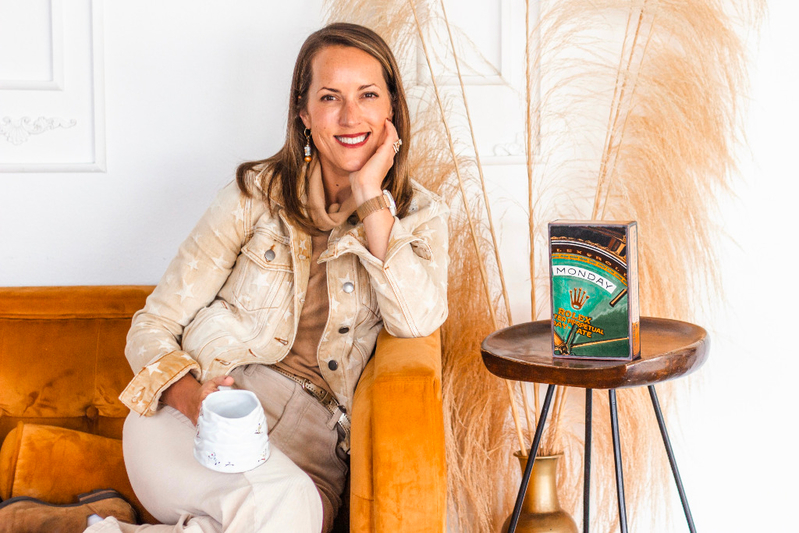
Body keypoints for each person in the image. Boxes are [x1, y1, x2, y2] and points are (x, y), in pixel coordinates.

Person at [86, 22, 448, 533]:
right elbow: (153, 324)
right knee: (280, 511)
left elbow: (417, 320)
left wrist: (370, 197)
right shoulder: (254, 195)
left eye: (368, 95)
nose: (350, 116)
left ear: (392, 108)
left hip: (308, 457)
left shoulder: (419, 216)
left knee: (283, 509)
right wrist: (193, 401)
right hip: (195, 423)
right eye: (330, 97)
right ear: (304, 114)